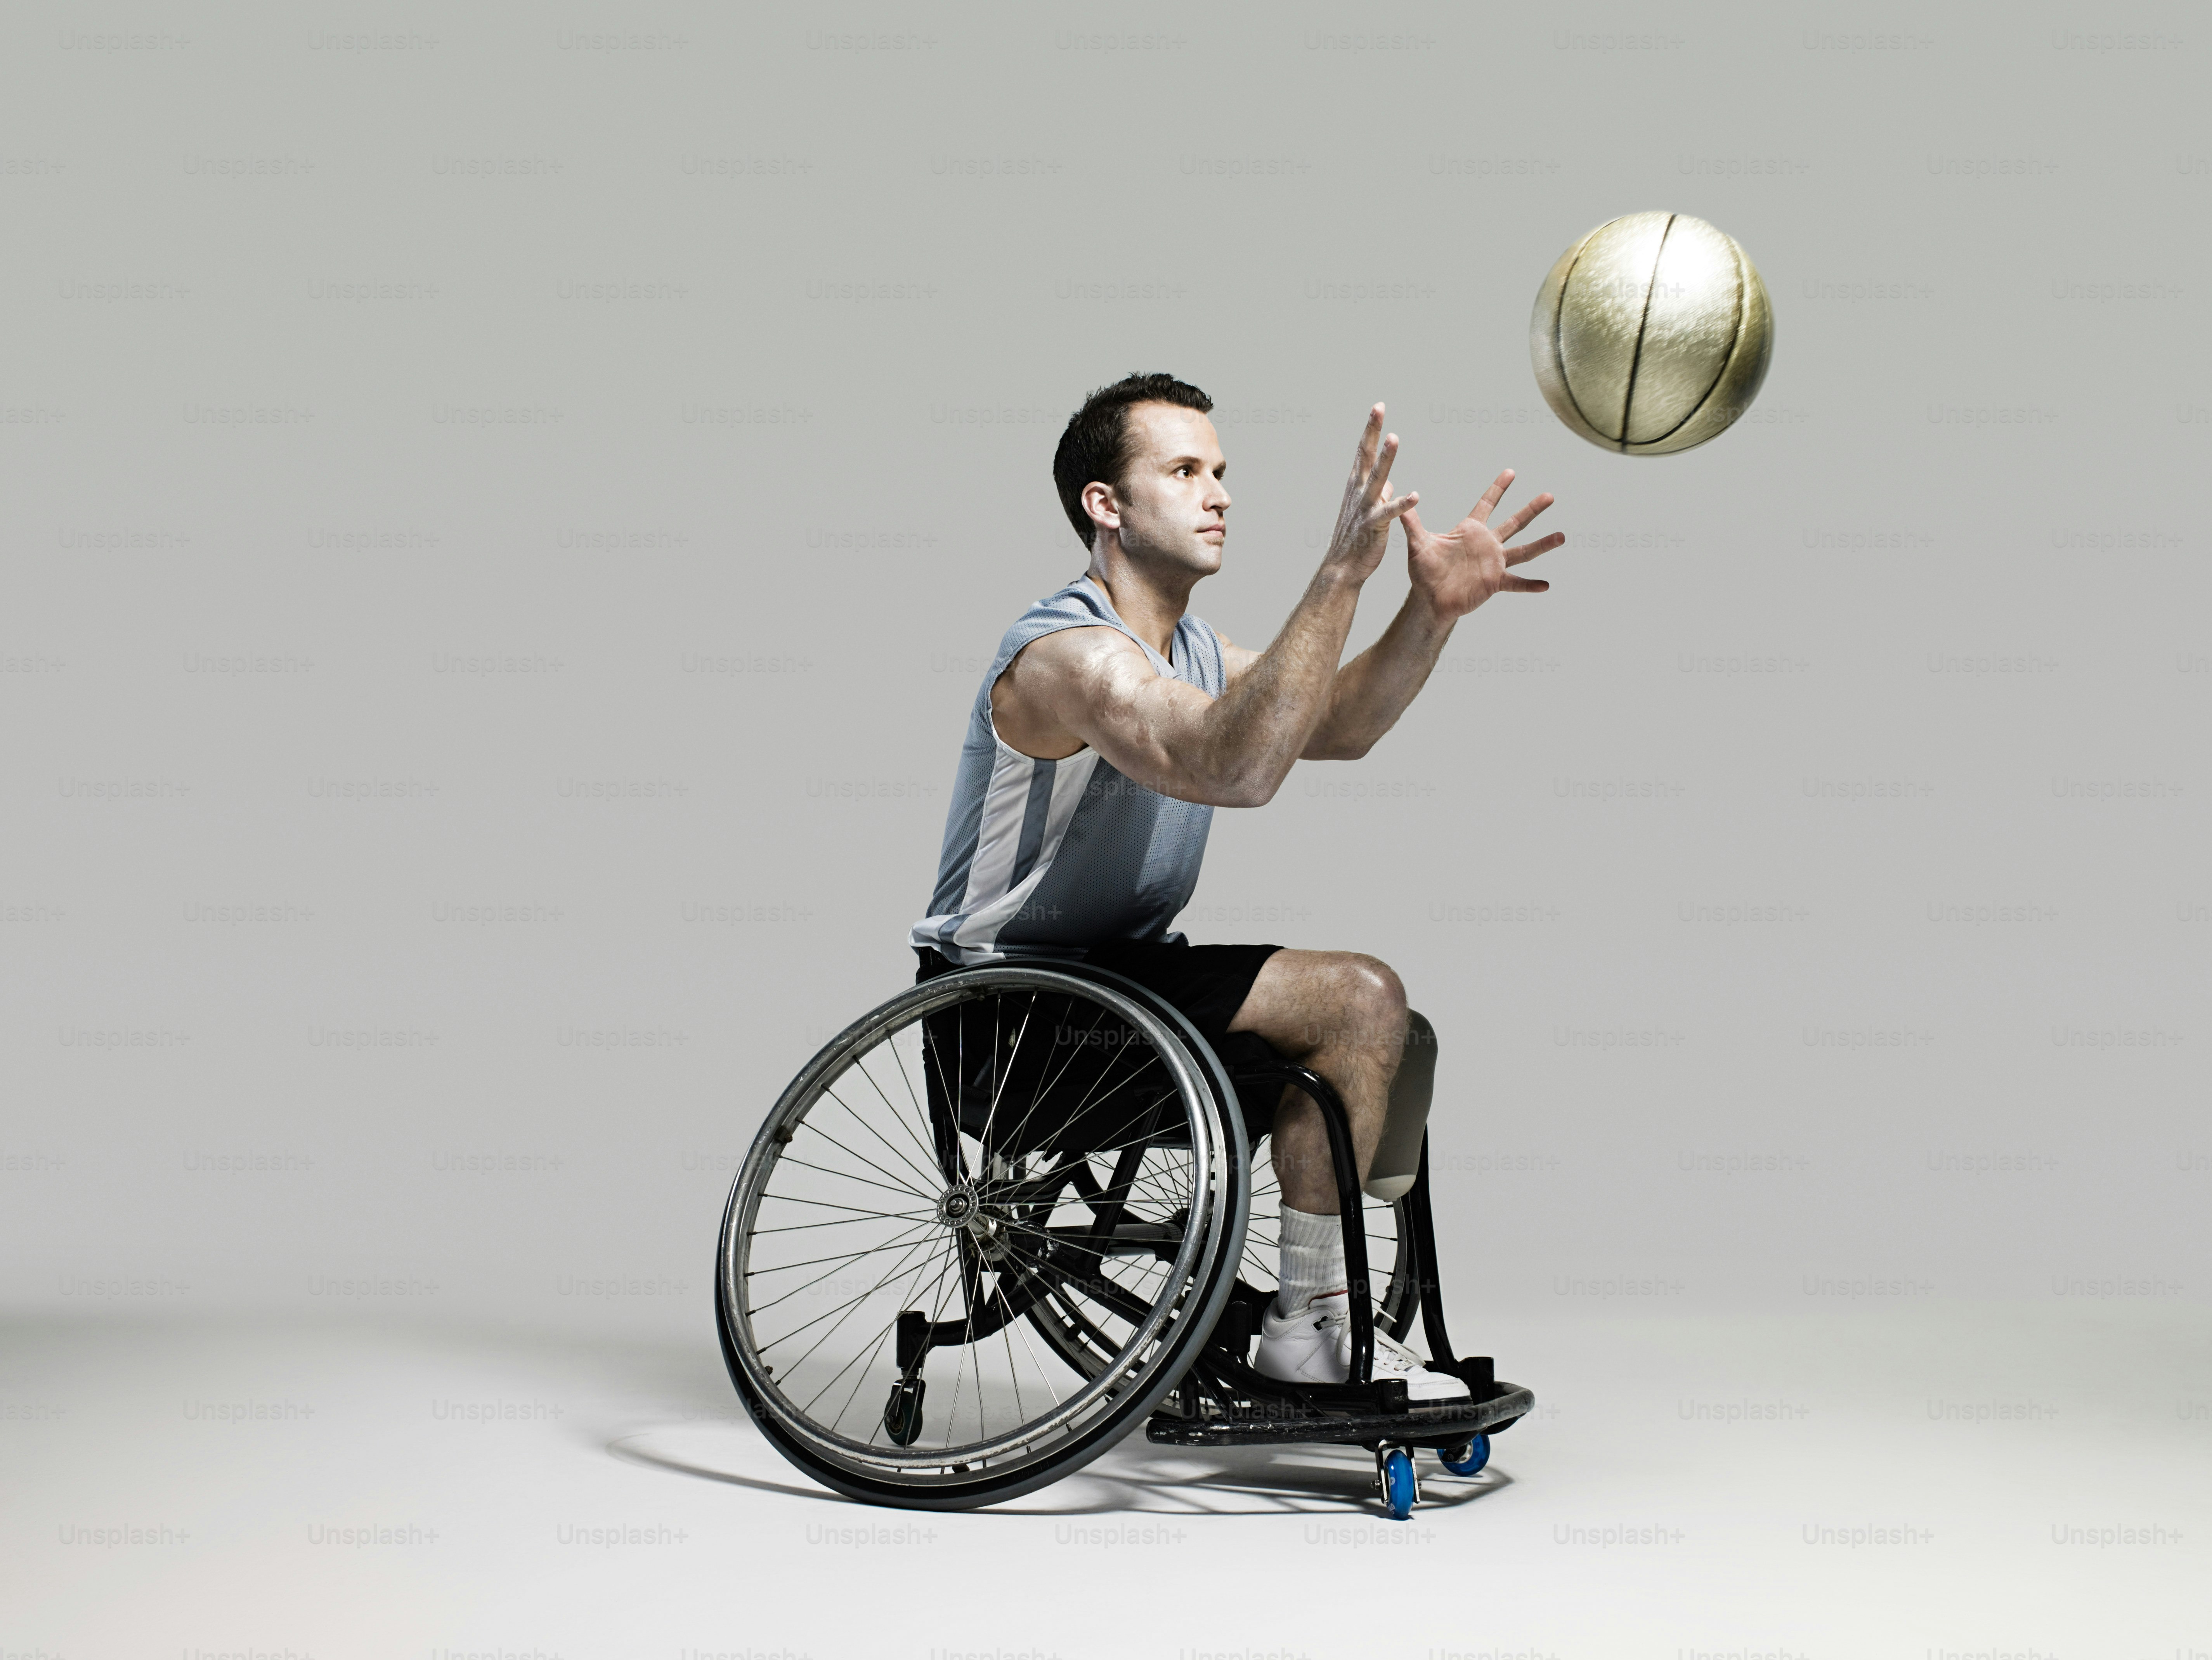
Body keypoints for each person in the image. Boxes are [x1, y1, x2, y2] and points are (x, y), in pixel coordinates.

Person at [910, 372, 1562, 1401]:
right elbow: (1231, 767)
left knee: (1369, 1031)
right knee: (1357, 997)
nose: (1217, 492)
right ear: (1105, 505)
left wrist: (1427, 611)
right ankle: (1312, 1329)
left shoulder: (1196, 653)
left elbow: (1332, 722)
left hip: (1125, 990)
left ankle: (1312, 1318)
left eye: (1220, 472)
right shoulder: (1067, 654)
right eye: (1182, 471)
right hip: (1011, 1019)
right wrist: (1339, 575)